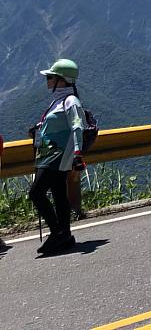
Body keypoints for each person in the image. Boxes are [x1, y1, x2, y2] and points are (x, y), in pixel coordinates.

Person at [28, 59, 86, 255]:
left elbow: (78, 127)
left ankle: (57, 233)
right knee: (59, 193)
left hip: (57, 156)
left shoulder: (71, 101)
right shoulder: (59, 100)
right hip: (49, 154)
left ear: (62, 80)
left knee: (36, 193)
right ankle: (66, 235)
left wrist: (78, 154)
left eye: (50, 77)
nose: (47, 80)